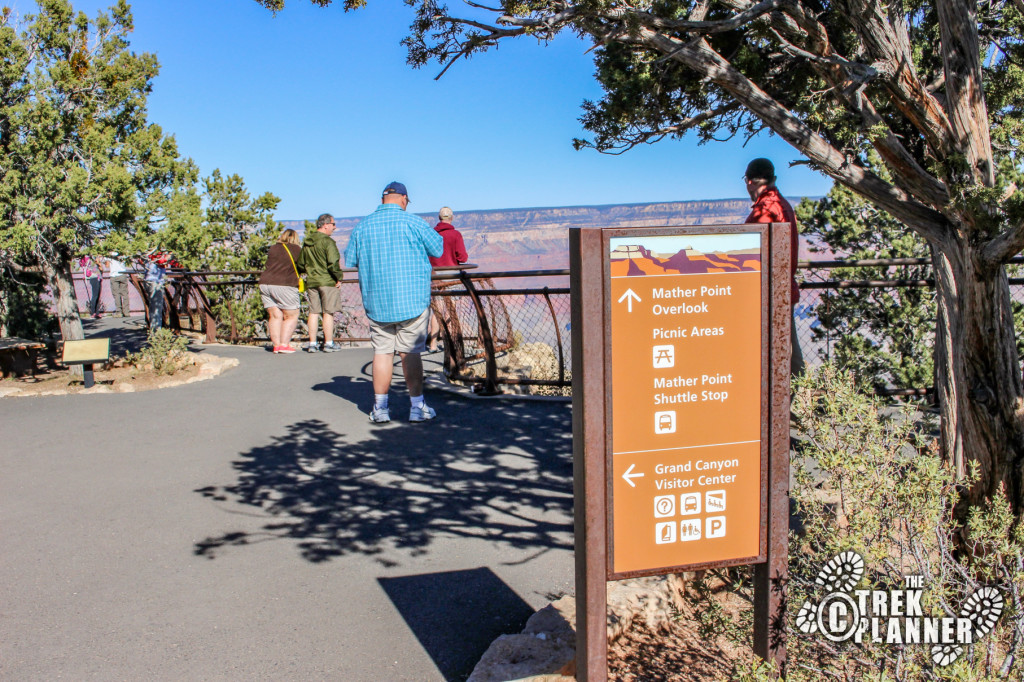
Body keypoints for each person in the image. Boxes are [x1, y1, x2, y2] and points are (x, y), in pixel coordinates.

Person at [345, 181, 443, 423]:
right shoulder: (414, 222)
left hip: (377, 302)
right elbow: (438, 249)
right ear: (404, 200)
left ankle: (380, 409)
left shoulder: (362, 226)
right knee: (410, 352)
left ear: (382, 200)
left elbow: (350, 260)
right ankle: (417, 408)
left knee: (382, 353)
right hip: (412, 300)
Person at [743, 157, 805, 375]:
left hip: (771, 293)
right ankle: (792, 397)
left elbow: (752, 255)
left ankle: (786, 402)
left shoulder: (767, 210)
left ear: (748, 181)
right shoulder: (782, 204)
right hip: (783, 288)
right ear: (774, 178)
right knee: (786, 347)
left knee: (781, 351)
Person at [297, 214, 345, 353]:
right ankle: (328, 343)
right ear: (326, 225)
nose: (335, 227)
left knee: (313, 312)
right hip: (327, 281)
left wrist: (309, 271)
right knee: (328, 312)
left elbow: (300, 263)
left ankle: (312, 343)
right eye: (333, 224)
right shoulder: (328, 242)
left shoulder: (307, 241)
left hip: (312, 281)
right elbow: (333, 263)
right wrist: (338, 278)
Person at [426, 206, 469, 352]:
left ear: (439, 218)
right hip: (452, 275)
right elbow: (462, 257)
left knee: (437, 310)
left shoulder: (431, 234)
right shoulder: (455, 235)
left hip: (435, 275)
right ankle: (449, 344)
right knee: (451, 309)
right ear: (451, 218)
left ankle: (432, 344)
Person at [259, 229, 303, 354]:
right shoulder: (296, 249)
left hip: (265, 283)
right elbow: (302, 266)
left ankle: (277, 345)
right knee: (291, 315)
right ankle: (284, 344)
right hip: (284, 284)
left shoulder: (273, 248)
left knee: (275, 315)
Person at [143, 252, 170, 331]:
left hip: (149, 280)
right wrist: (169, 256)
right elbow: (161, 261)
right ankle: (156, 332)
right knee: (157, 308)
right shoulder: (156, 254)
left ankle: (153, 330)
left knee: (153, 307)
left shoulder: (148, 253)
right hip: (155, 281)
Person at [107, 252, 131, 317]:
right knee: (125, 294)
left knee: (116, 294)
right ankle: (126, 311)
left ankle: (119, 312)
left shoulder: (110, 254)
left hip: (114, 275)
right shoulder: (123, 253)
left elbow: (107, 265)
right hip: (122, 274)